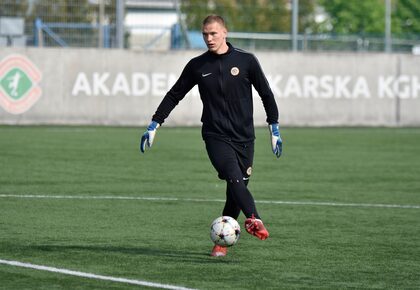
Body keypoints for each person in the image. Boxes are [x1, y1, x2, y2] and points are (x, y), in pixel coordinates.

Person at [140, 15, 282, 257]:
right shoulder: (198, 65)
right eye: (205, 34)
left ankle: (221, 242)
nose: (209, 38)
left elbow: (266, 94)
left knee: (235, 191)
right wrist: (155, 123)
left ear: (225, 32)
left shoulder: (246, 61)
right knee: (233, 177)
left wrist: (274, 127)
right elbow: (175, 94)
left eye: (213, 33)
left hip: (245, 137)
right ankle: (254, 219)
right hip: (215, 135)